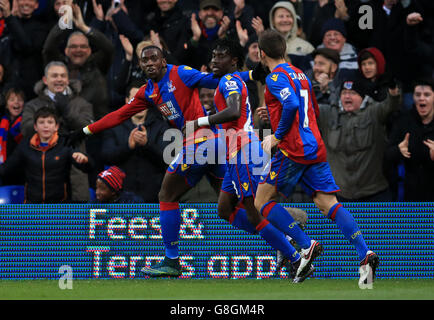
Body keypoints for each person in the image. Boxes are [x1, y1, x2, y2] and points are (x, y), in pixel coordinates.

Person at [67, 44, 253, 277]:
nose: (150, 63)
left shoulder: (181, 73)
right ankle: (283, 235)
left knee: (167, 195)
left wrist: (253, 75)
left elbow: (217, 80)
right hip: (212, 146)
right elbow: (118, 115)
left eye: (154, 58)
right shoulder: (147, 92)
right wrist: (85, 131)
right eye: (145, 61)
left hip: (200, 143)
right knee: (228, 209)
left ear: (163, 61)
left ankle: (172, 261)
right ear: (141, 66)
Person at [254, 29, 379, 288]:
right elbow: (307, 107)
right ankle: (364, 253)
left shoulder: (275, 78)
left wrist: (276, 136)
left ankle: (305, 244)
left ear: (261, 53)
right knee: (327, 203)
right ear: (284, 50)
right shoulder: (300, 74)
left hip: (293, 149)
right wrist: (275, 114)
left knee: (262, 201)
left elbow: (291, 106)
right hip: (314, 145)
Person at [185, 38, 314, 283]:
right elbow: (247, 81)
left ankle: (298, 250)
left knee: (257, 209)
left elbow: (233, 111)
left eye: (220, 56)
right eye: (213, 55)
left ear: (233, 60)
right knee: (224, 209)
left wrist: (198, 122)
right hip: (235, 154)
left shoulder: (229, 80)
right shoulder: (232, 78)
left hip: (244, 150)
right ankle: (288, 243)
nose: (214, 60)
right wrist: (255, 70)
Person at [21, 61, 94, 203]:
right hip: (43, 178)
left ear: (68, 79)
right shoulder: (33, 105)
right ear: (45, 80)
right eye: (54, 76)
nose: (59, 79)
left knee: (74, 223)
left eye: (62, 76)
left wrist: (67, 111)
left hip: (75, 174)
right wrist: (49, 120)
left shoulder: (82, 104)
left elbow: (88, 129)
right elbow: (26, 129)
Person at [0, 107, 92, 203]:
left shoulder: (66, 143)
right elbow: (6, 168)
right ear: (35, 127)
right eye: (41, 122)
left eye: (50, 122)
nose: (46, 126)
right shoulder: (25, 145)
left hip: (59, 206)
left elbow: (88, 168)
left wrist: (85, 160)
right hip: (33, 206)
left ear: (56, 126)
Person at [100, 82, 172, 203]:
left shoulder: (161, 126)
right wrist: (128, 146)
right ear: (126, 100)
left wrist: (147, 145)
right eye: (135, 99)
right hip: (121, 198)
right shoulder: (114, 125)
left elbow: (168, 160)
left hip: (154, 197)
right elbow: (106, 156)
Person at [385, 78, 434, 201]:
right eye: (417, 95)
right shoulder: (403, 121)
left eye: (427, 95)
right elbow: (387, 156)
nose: (421, 98)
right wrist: (398, 150)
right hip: (411, 194)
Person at [0, 0, 49, 100]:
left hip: (30, 88)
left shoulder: (41, 26)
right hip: (8, 86)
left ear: (36, 5)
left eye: (30, 0)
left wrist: (9, 17)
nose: (26, 3)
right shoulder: (8, 25)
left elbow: (26, 47)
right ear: (16, 2)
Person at [0, 88, 25, 186]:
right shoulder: (2, 121)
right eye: (12, 100)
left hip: (22, 171)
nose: (16, 102)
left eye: (20, 100)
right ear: (6, 105)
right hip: (3, 171)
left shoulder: (27, 123)